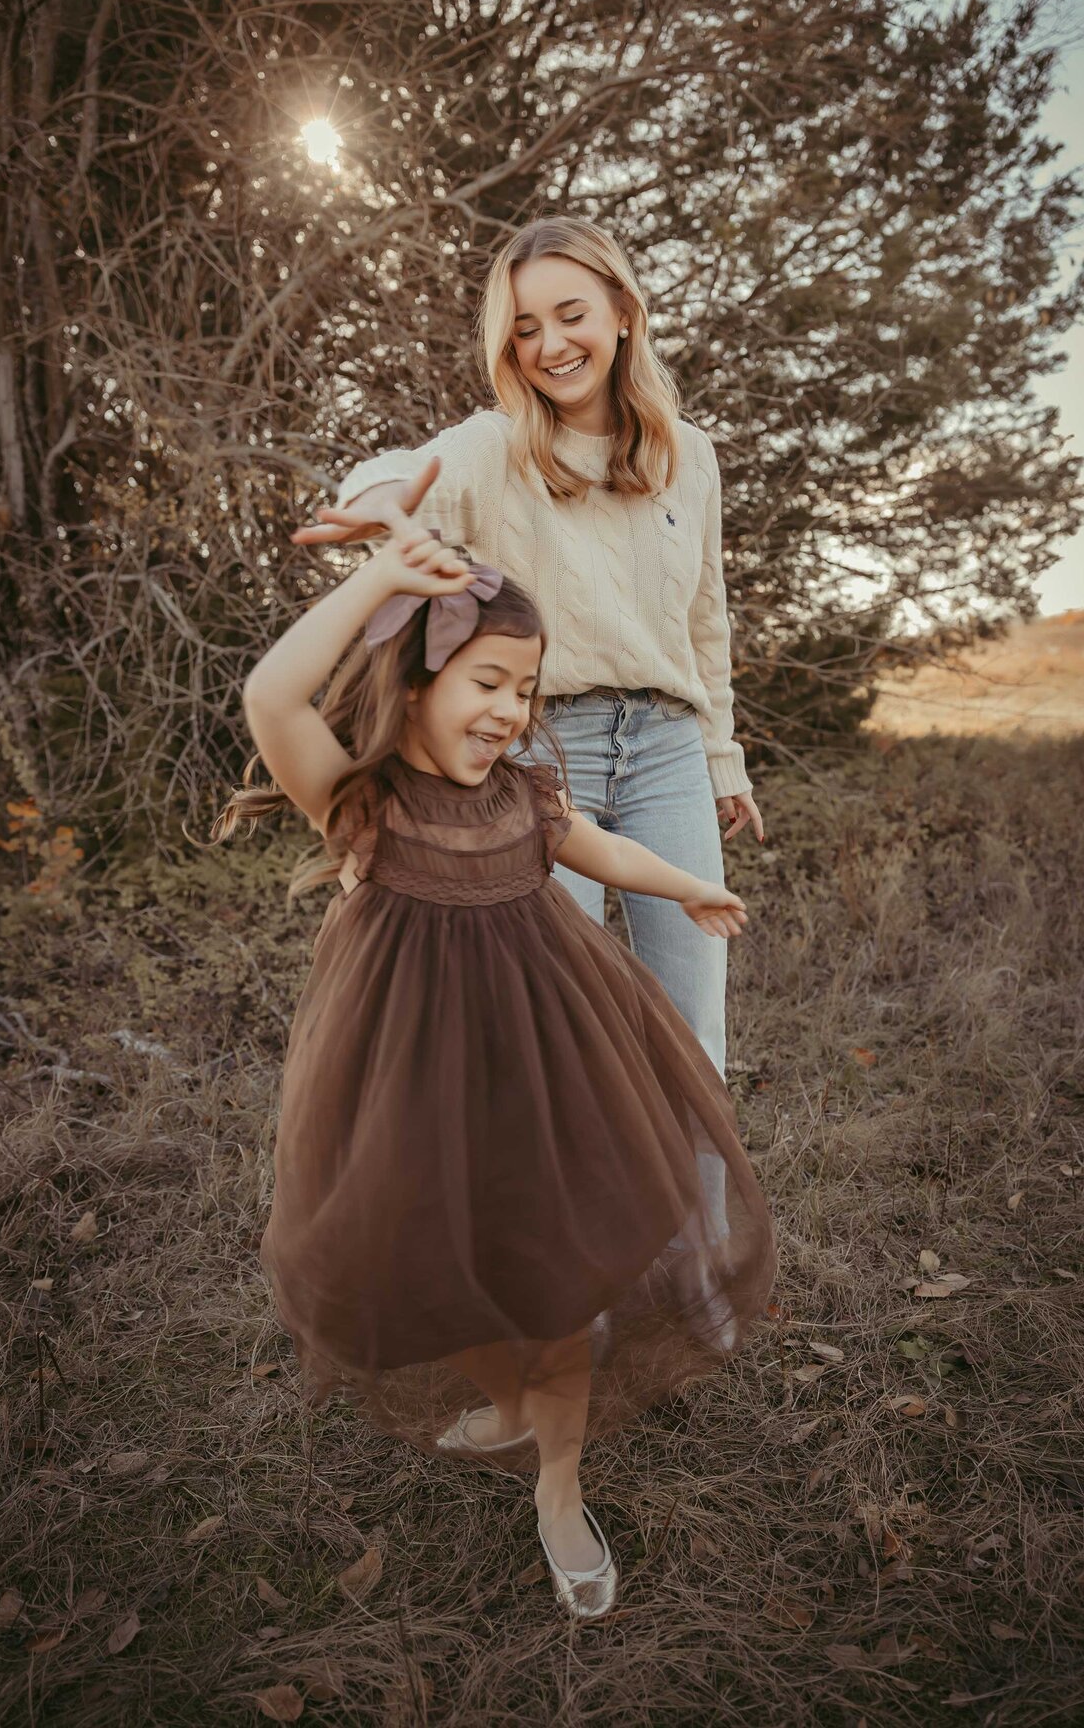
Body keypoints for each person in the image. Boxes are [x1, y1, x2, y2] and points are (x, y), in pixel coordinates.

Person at [213, 515, 776, 1622]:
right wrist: (376, 575)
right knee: (435, 1254)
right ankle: (509, 1392)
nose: (510, 712)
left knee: (556, 1263)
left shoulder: (525, 792)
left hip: (547, 1059)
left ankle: (559, 1486)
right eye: (486, 682)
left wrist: (680, 885)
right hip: (412, 1081)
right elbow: (272, 700)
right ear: (415, 679)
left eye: (524, 689)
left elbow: (599, 851)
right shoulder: (361, 803)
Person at [300, 216, 767, 1259]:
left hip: (666, 753)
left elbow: (705, 620)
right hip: (534, 754)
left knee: (690, 1032)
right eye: (522, 330)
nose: (550, 345)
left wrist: (722, 758)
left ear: (620, 314)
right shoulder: (490, 445)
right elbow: (394, 470)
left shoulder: (690, 459)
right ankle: (557, 1298)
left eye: (570, 315)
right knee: (545, 1041)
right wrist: (378, 509)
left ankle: (690, 1284)